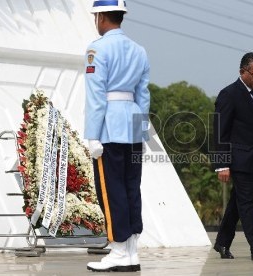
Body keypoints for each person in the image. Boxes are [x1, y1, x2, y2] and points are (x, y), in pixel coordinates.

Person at [83, 0, 150, 272]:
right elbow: (144, 96)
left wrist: (92, 135)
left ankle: (119, 250)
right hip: (132, 127)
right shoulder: (139, 50)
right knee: (131, 188)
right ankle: (131, 251)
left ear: (100, 17)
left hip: (109, 128)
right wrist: (142, 132)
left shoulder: (96, 49)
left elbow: (96, 96)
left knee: (112, 191)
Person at [212, 52, 253, 261]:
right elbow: (220, 131)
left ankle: (222, 242)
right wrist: (221, 164)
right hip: (238, 160)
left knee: (237, 203)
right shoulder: (229, 94)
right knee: (247, 202)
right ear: (242, 71)